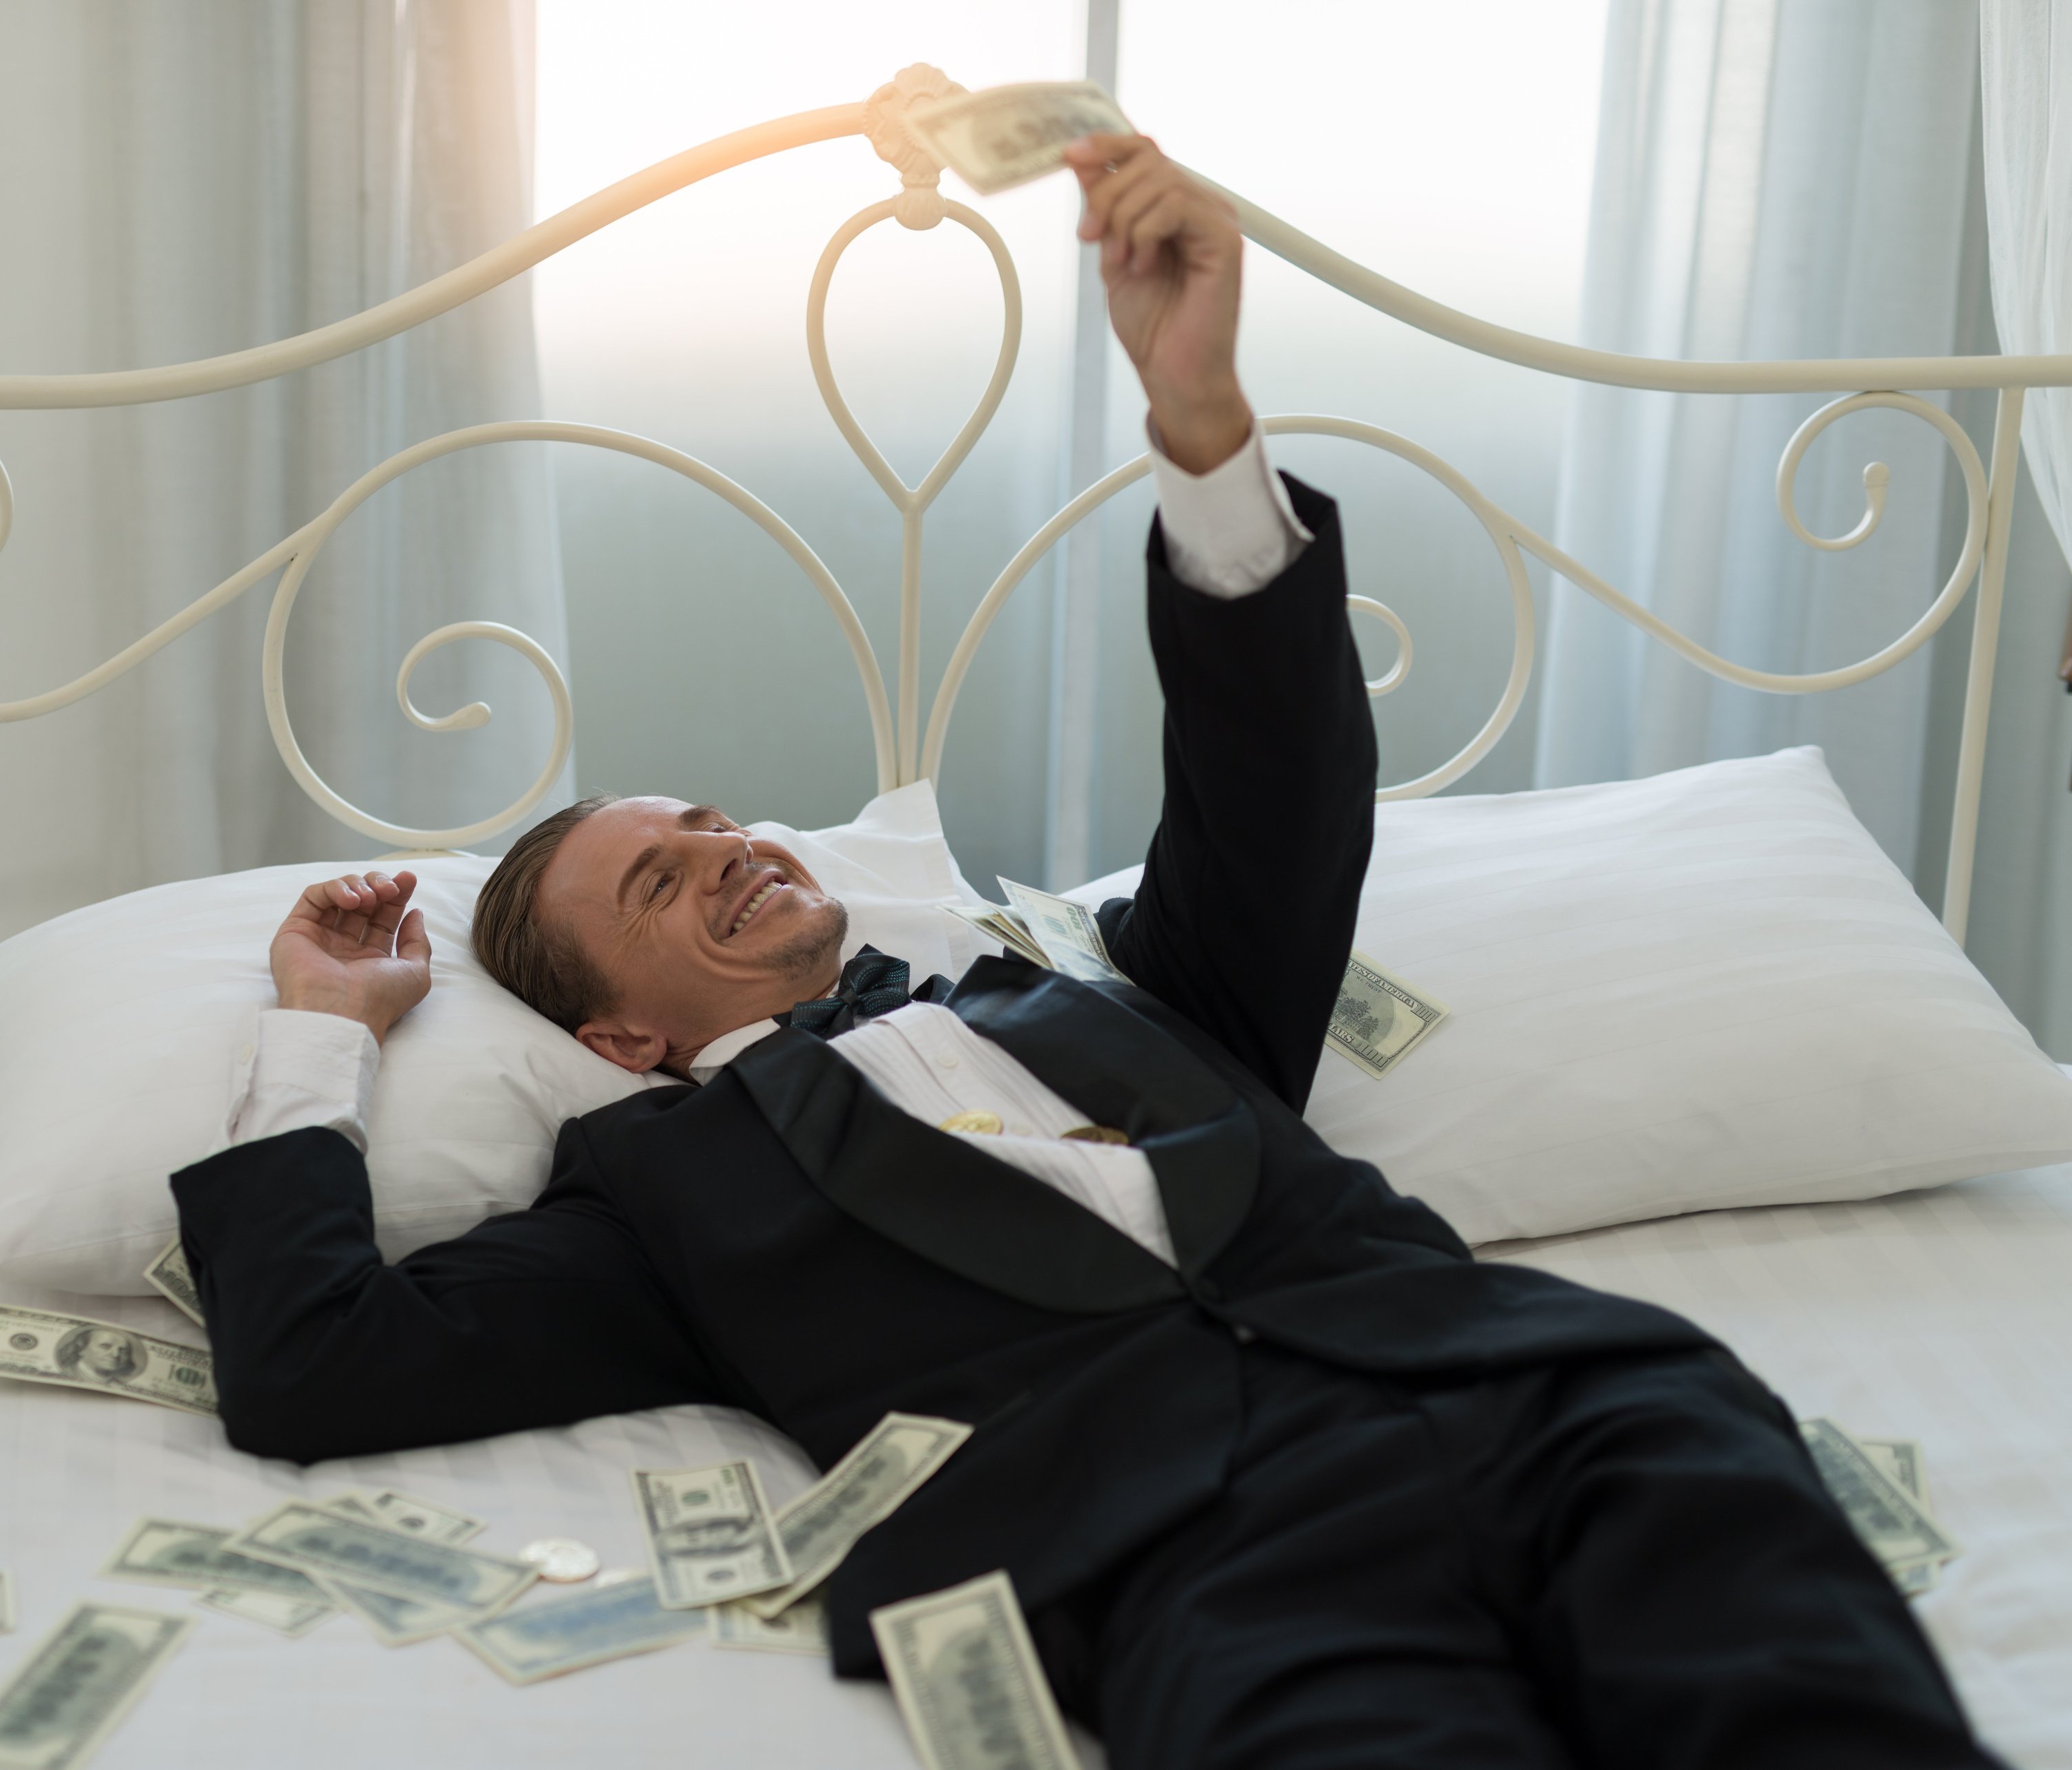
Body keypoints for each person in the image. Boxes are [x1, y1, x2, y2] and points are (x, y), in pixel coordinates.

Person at [170, 134, 1995, 1769]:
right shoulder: (652, 1204)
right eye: (661, 882)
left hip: (1559, 1408)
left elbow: (1278, 794)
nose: (732, 851)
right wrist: (323, 1028)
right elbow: (317, 1364)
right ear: (622, 1038)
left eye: (716, 821)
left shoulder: (1123, 992)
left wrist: (1202, 420)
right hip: (1206, 1560)